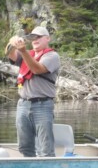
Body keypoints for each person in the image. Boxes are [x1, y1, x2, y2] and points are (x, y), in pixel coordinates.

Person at [5, 26, 61, 157]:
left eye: (38, 37)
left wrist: (23, 51)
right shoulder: (27, 54)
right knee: (24, 146)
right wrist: (11, 43)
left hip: (43, 105)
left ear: (48, 39)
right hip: (23, 105)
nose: (35, 40)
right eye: (32, 38)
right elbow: (10, 54)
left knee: (45, 148)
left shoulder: (52, 56)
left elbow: (37, 69)